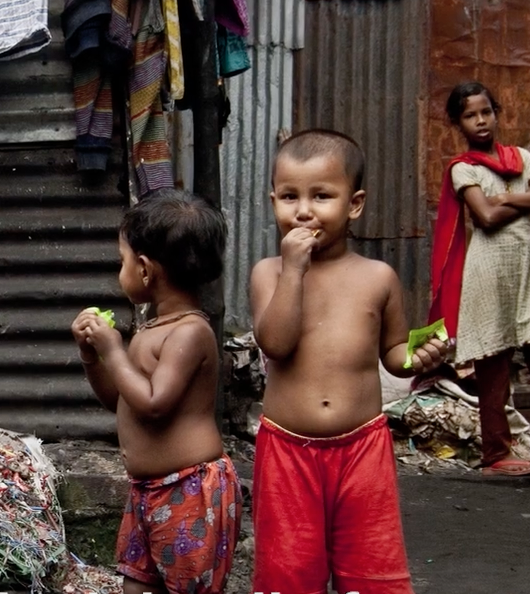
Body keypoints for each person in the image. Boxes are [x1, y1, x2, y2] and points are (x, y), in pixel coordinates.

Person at [250, 129, 447, 594]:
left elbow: (394, 355)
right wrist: (293, 270)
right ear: (272, 198)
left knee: (372, 568)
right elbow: (275, 343)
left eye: (321, 196)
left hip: (363, 450)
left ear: (354, 204)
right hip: (286, 451)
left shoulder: (378, 278)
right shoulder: (268, 273)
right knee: (289, 571)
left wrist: (420, 357)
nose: (302, 211)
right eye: (289, 196)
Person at [71, 189, 242, 594]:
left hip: (188, 491)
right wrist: (91, 357)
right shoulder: (151, 329)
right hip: (146, 493)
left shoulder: (191, 332)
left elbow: (152, 404)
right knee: (136, 586)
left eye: (122, 261)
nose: (121, 270)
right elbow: (120, 399)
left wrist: (112, 349)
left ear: (145, 270)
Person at [429, 81, 530, 477]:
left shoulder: (522, 157)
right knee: (494, 367)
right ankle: (496, 455)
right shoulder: (463, 169)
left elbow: (492, 207)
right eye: (470, 115)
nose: (481, 121)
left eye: (486, 111)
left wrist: (504, 198)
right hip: (490, 273)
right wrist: (518, 201)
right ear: (459, 123)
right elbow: (484, 218)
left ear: (496, 112)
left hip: (526, 266)